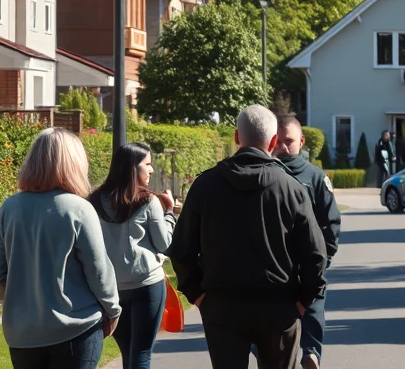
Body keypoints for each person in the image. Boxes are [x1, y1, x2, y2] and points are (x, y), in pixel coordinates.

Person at [168, 105, 327, 369]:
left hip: (223, 307)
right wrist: (303, 301)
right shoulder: (292, 189)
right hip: (279, 308)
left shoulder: (205, 186)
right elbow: (315, 255)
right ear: (273, 142)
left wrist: (198, 295)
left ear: (236, 137)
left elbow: (181, 250)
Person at [0, 128, 121, 369]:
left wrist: (24, 297)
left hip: (23, 334)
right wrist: (113, 310)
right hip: (76, 327)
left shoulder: (10, 207)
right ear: (74, 163)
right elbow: (98, 271)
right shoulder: (78, 208)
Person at [89, 143, 176, 369]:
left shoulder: (94, 201)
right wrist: (169, 212)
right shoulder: (148, 201)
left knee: (128, 353)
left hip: (112, 288)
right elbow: (164, 244)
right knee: (141, 353)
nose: (152, 170)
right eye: (147, 164)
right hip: (147, 284)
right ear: (132, 168)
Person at [275, 115, 342, 369]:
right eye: (278, 141)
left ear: (301, 142)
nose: (283, 147)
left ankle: (311, 353)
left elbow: (331, 223)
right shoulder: (266, 173)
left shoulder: (315, 177)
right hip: (276, 266)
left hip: (307, 263)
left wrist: (323, 261)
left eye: (289, 141)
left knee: (313, 304)